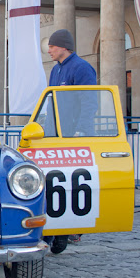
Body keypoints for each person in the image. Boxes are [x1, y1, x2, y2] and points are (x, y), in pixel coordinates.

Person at [46, 29, 97, 250]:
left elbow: (89, 102)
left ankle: (70, 230)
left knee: (73, 183)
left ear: (63, 47)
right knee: (56, 181)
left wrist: (81, 131)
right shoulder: (56, 70)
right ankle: (58, 229)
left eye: (52, 46)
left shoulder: (82, 68)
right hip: (56, 134)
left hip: (73, 135)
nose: (49, 50)